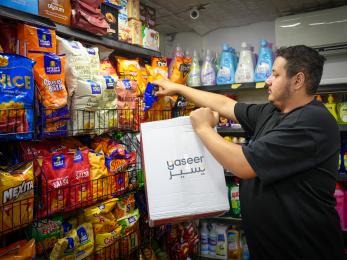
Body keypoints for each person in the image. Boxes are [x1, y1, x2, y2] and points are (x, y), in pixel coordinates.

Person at [154, 45, 344, 260]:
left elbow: (244, 165)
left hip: (304, 251)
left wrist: (203, 127)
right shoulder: (274, 111)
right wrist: (177, 88)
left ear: (298, 80)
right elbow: (225, 104)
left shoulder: (312, 122)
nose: (268, 80)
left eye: (275, 74)